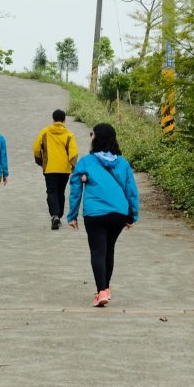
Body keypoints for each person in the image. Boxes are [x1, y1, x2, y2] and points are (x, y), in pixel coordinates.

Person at [67, 123, 140, 307]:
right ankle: (105, 289)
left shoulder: (86, 162)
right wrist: (132, 216)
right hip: (118, 213)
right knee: (109, 250)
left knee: (98, 251)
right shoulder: (123, 163)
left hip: (95, 214)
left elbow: (75, 189)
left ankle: (101, 291)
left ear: (96, 138)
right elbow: (131, 191)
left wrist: (72, 215)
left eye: (92, 134)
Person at [32, 109, 79, 230]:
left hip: (50, 168)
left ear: (53, 119)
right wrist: (74, 167)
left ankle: (54, 215)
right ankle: (59, 214)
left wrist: (40, 161)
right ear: (64, 120)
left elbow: (36, 148)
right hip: (64, 169)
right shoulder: (69, 134)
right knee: (60, 192)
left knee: (51, 191)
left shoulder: (45, 132)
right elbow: (73, 154)